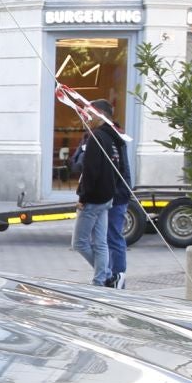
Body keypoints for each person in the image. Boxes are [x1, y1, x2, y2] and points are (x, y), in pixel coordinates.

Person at [72, 98, 131, 288]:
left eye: (89, 114)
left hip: (96, 198)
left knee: (80, 242)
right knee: (101, 242)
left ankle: (105, 275)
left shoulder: (96, 137)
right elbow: (119, 169)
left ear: (99, 116)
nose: (85, 118)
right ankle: (102, 281)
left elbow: (90, 171)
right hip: (107, 197)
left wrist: (83, 197)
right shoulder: (113, 137)